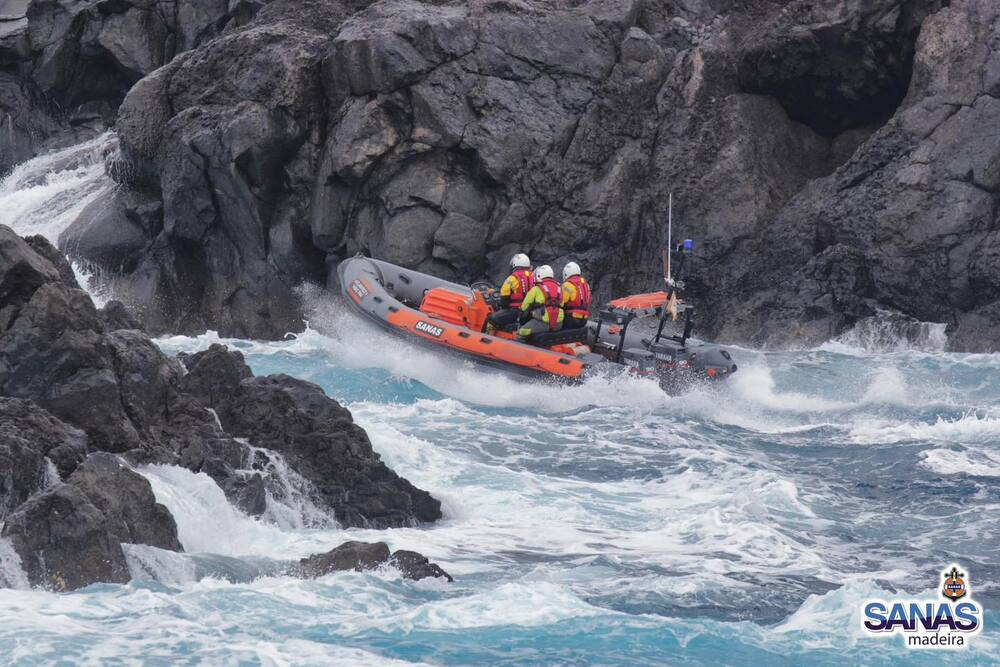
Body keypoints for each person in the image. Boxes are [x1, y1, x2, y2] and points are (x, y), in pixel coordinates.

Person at [485, 253, 534, 332]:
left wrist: (500, 306)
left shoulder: (512, 278)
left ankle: (487, 339)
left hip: (516, 311)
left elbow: (504, 300)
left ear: (515, 264)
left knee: (491, 319)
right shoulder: (535, 277)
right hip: (531, 313)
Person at [517, 264, 564, 338]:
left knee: (522, 331)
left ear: (539, 276)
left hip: (542, 323)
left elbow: (524, 306)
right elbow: (562, 304)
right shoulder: (560, 288)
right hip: (558, 325)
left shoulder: (536, 288)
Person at [561, 261, 591, 329]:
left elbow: (561, 302)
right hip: (584, 319)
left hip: (571, 319)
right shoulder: (586, 284)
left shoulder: (567, 285)